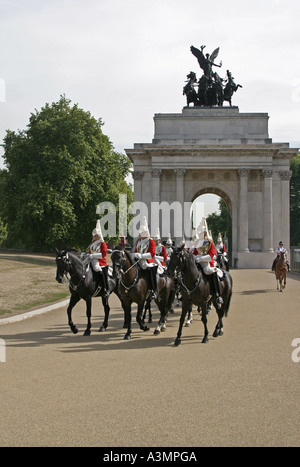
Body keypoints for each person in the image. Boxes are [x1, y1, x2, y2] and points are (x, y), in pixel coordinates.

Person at [193, 218, 224, 307]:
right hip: (198, 262)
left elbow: (212, 256)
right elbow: (194, 253)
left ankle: (218, 295)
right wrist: (195, 257)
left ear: (205, 233)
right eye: (199, 233)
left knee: (211, 272)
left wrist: (201, 259)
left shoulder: (210, 243)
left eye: (201, 232)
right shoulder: (198, 243)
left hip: (207, 263)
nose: (199, 234)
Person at [134, 217, 158, 299]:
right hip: (138, 260)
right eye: (140, 232)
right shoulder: (138, 241)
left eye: (142, 232)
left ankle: (154, 290)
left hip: (148, 261)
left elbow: (152, 253)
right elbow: (135, 250)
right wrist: (135, 254)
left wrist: (142, 256)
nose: (141, 233)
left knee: (152, 272)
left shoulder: (150, 241)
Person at [88, 219, 109, 297]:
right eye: (93, 235)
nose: (93, 236)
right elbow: (90, 251)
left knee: (98, 269)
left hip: (100, 261)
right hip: (91, 259)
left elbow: (103, 254)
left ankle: (105, 288)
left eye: (95, 235)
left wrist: (93, 256)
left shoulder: (102, 243)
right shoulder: (92, 243)